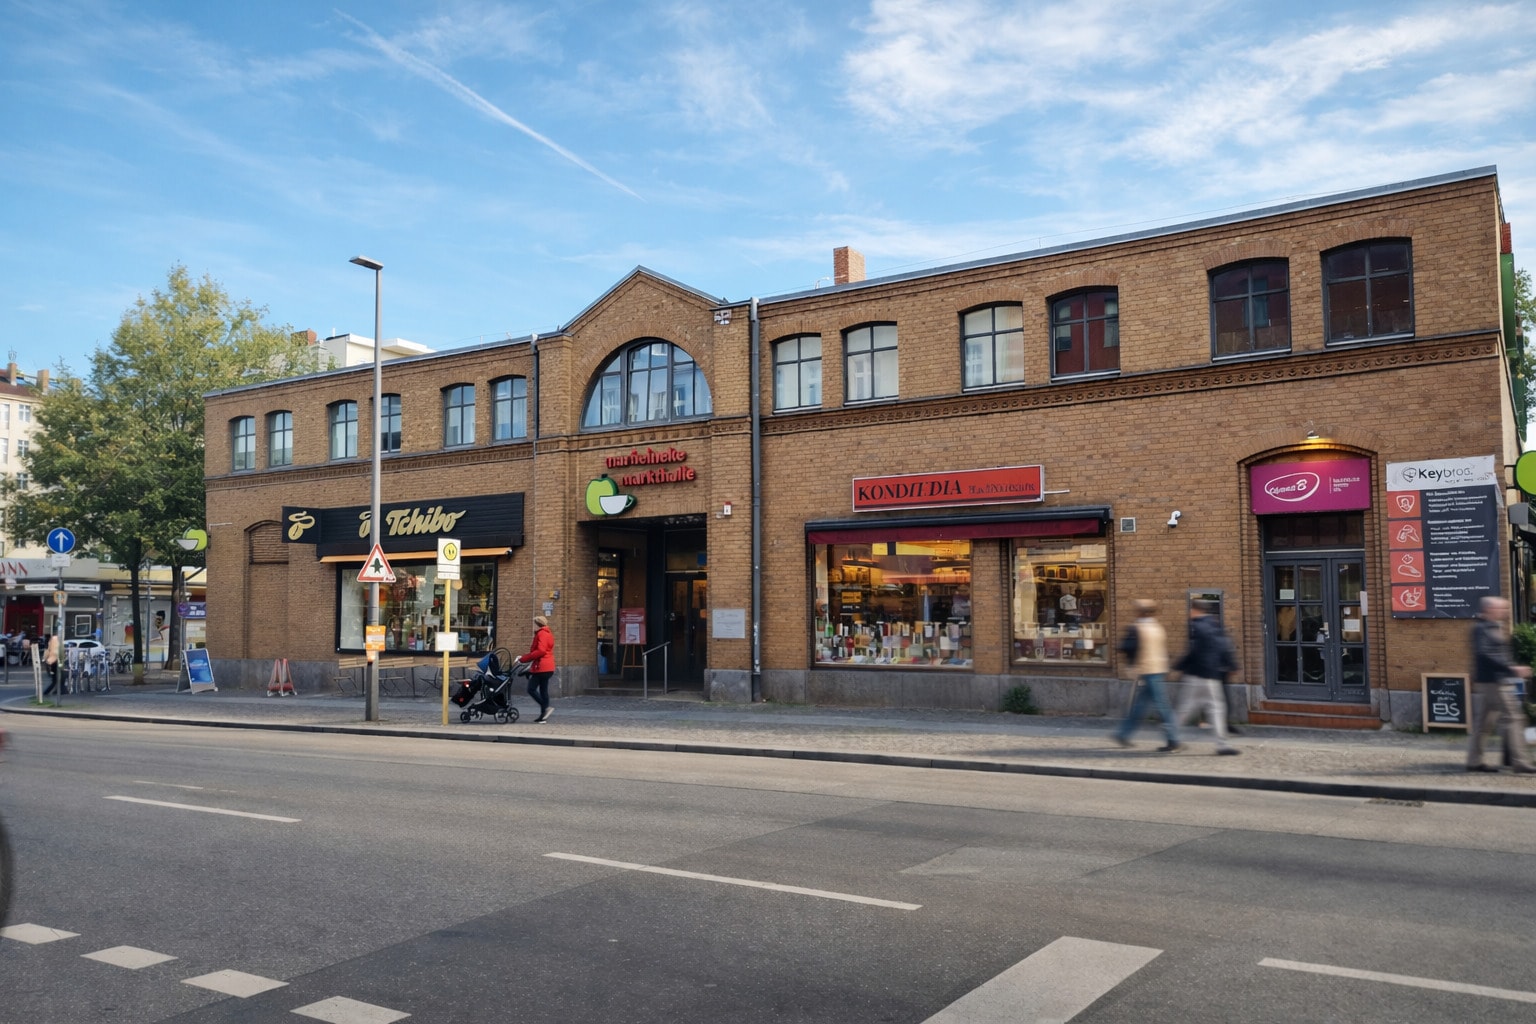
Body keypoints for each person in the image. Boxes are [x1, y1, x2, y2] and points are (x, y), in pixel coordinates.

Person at [1466, 596, 1535, 774]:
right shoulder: (1481, 629)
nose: (1504, 613)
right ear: (1490, 610)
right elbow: (1484, 654)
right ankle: (1520, 761)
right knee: (1514, 718)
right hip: (1494, 682)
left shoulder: (1490, 627)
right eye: (1501, 609)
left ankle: (1474, 762)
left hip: (1491, 680)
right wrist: (1512, 668)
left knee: (1483, 723)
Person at [1172, 600, 1239, 755]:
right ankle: (1222, 745)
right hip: (1213, 675)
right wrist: (1232, 665)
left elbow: (1193, 652)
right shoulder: (1215, 624)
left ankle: (1171, 737)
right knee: (1216, 709)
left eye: (1191, 610)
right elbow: (1224, 646)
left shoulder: (1196, 627)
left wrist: (1178, 666)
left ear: (1195, 610)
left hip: (1196, 675)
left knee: (1184, 709)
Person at [1112, 599, 1180, 751]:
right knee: (1144, 706)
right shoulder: (1157, 627)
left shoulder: (1138, 627)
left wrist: (1130, 664)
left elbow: (1126, 647)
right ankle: (1124, 734)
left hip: (1148, 670)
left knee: (1157, 707)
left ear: (1140, 612)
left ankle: (1173, 739)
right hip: (1157, 669)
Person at [517, 614, 556, 724]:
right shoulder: (548, 633)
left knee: (531, 689)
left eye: (533, 624)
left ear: (538, 624)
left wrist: (523, 659)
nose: (532, 626)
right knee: (543, 691)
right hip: (548, 666)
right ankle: (543, 717)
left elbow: (541, 651)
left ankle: (546, 708)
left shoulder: (542, 634)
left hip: (542, 666)